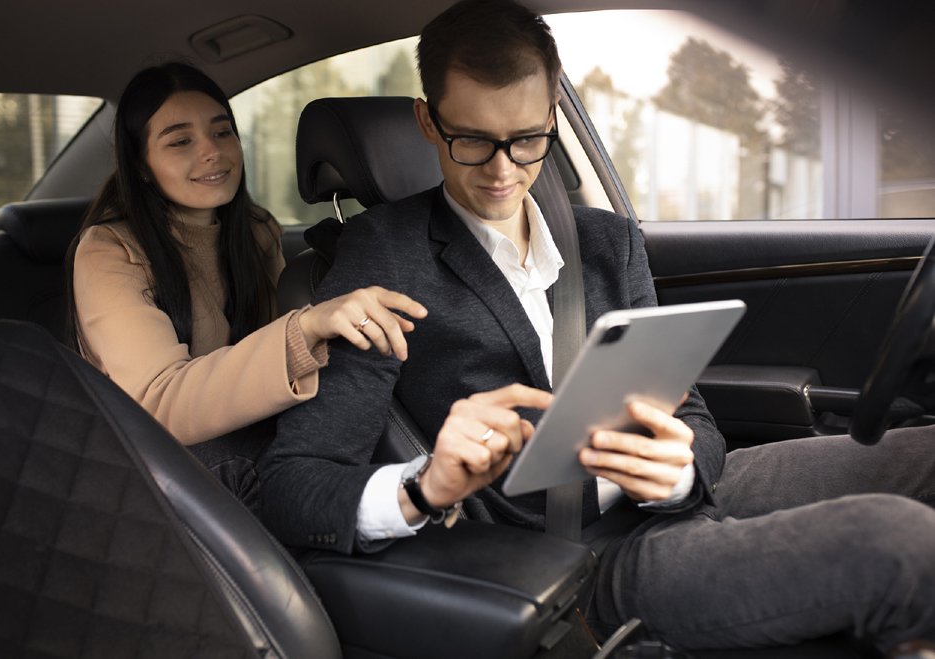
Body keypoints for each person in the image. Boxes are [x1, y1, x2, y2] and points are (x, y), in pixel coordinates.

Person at [258, 1, 935, 653]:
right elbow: (293, 486)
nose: (502, 170)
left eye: (527, 139)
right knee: (900, 543)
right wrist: (422, 485)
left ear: (553, 115)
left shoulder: (606, 242)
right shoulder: (381, 258)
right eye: (473, 140)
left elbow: (692, 413)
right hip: (575, 558)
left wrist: (679, 471)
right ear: (427, 122)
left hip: (672, 495)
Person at [68, 62, 426, 510]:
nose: (212, 152)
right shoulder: (110, 251)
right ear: (141, 165)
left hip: (244, 434)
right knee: (299, 479)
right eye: (180, 141)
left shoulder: (256, 231)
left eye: (222, 132)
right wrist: (305, 329)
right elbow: (157, 403)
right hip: (150, 465)